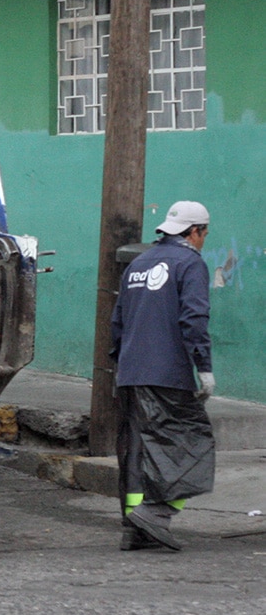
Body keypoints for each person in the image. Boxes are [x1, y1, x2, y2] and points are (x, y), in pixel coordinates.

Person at [110, 200, 216, 552]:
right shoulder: (190, 263)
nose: (203, 240)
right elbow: (194, 320)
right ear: (195, 231)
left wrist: (122, 365)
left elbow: (117, 323)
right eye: (205, 233)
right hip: (167, 373)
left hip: (131, 372)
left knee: (138, 451)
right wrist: (204, 367)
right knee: (192, 443)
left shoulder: (139, 263)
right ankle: (156, 513)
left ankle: (134, 529)